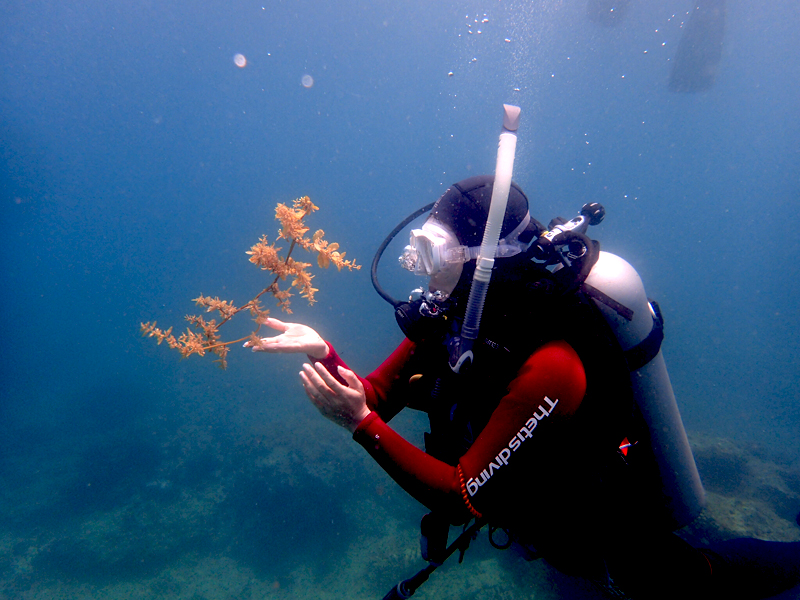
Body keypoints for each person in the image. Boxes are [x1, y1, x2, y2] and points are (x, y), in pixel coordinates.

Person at [246, 175, 800, 599]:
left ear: (484, 263)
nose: (419, 268)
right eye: (419, 247)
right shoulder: (456, 316)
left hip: (602, 528)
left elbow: (461, 497)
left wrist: (360, 426)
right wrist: (325, 353)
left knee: (694, 582)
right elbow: (376, 396)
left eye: (434, 252)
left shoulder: (554, 364)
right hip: (537, 524)